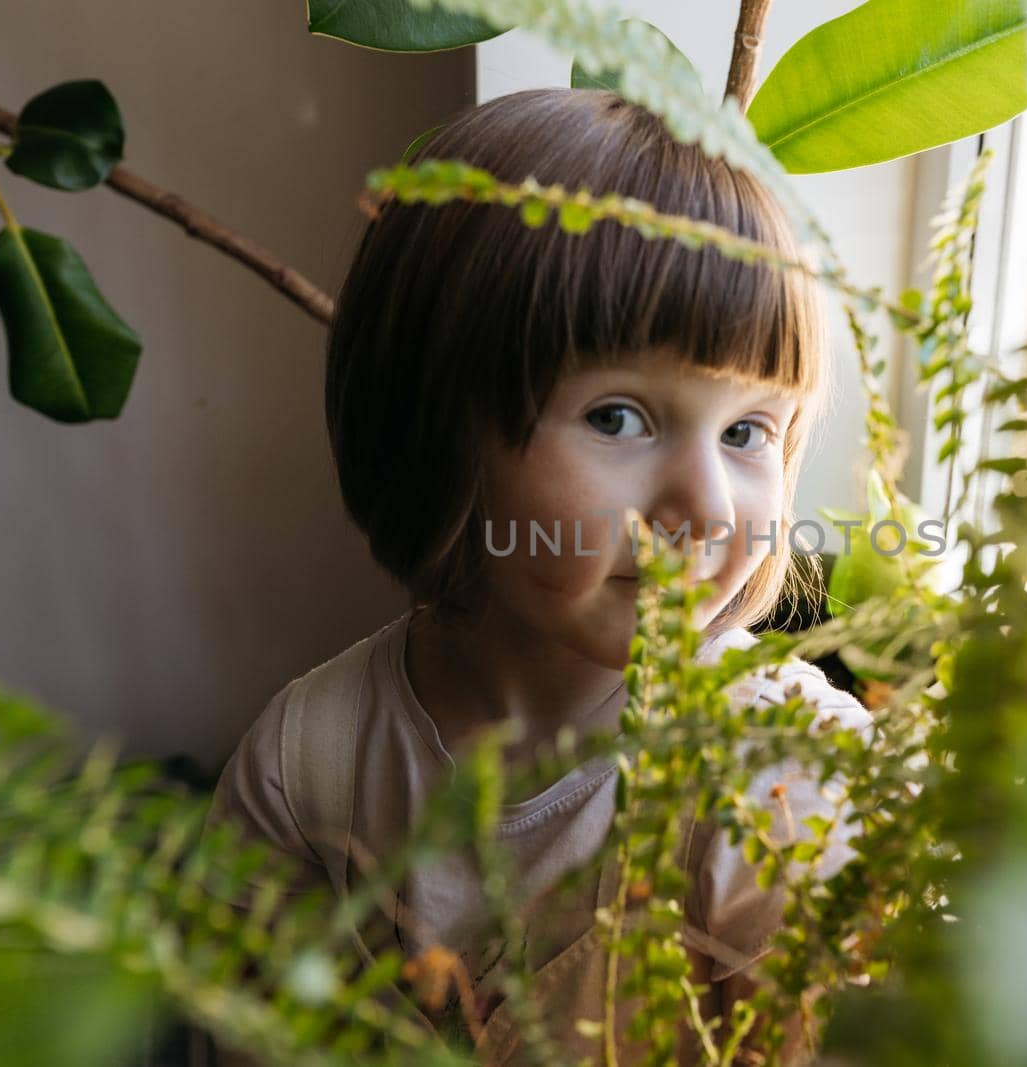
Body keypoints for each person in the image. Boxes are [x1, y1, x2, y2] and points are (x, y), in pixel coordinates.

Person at [207, 88, 872, 1065]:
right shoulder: (304, 772)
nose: (709, 504)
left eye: (746, 432)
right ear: (439, 424)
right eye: (618, 417)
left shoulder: (778, 767)